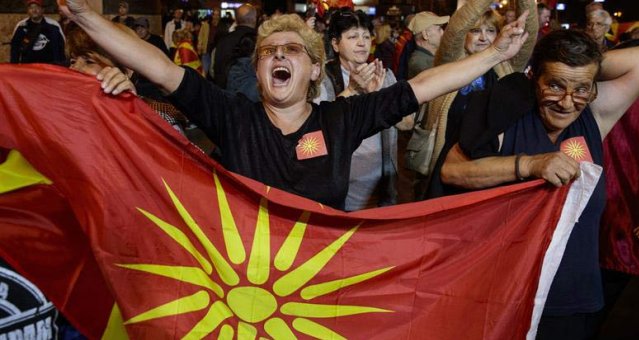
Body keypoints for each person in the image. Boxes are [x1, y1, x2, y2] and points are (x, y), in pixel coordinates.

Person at [58, 0, 529, 210]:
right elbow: (160, 68)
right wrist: (85, 16)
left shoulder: (342, 118)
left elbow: (423, 85)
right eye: (267, 51)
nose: (277, 55)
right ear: (260, 70)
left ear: (313, 69)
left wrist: (496, 54)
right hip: (244, 282)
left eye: (291, 50)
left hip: (318, 280)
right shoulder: (232, 116)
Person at [439, 30, 639, 339]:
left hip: (575, 299)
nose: (567, 102)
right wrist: (529, 164)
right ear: (533, 78)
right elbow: (452, 171)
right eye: (554, 84)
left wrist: (583, 63)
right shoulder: (508, 117)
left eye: (581, 88)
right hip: (508, 297)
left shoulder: (593, 114)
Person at [421, 0, 537, 199]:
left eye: (490, 31)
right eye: (475, 31)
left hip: (489, 169)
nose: (483, 37)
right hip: (448, 167)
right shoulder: (449, 63)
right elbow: (457, 27)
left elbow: (528, 30)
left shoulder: (506, 65)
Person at [316, 9, 401, 211]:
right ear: (335, 44)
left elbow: (406, 123)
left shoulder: (384, 75)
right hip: (338, 187)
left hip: (379, 185)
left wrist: (382, 98)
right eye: (353, 37)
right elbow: (317, 126)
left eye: (365, 36)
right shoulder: (323, 79)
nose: (362, 43)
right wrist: (352, 90)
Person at [66, 22, 187, 133]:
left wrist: (132, 114)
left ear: (127, 70)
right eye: (72, 61)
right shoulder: (66, 113)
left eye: (89, 61)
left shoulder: (160, 119)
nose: (74, 69)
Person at [212, 4, 257, 89]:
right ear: (254, 19)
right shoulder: (258, 41)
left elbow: (216, 70)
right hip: (248, 97)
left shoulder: (223, 40)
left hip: (222, 93)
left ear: (236, 19)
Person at [11, 0, 66, 65]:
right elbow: (15, 50)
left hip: (49, 68)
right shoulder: (21, 26)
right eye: (31, 8)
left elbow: (60, 48)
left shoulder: (53, 26)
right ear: (27, 10)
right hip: (28, 68)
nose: (34, 10)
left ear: (43, 9)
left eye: (37, 7)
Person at [407, 11, 450, 79]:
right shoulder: (420, 64)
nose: (443, 32)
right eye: (439, 29)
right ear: (425, 35)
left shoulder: (430, 57)